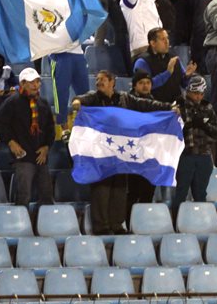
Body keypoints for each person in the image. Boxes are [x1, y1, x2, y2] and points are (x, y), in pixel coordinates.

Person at [71, 71, 177, 233]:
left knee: (119, 189)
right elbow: (80, 99)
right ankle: (101, 226)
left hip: (121, 154)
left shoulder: (125, 98)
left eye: (103, 80)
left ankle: (117, 224)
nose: (99, 83)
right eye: (97, 80)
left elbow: (145, 104)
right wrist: (77, 102)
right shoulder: (94, 98)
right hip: (100, 153)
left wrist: (169, 107)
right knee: (102, 189)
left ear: (112, 82)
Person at [0, 68, 56, 206]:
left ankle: (44, 226)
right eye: (31, 82)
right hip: (23, 157)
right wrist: (10, 142)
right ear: (23, 84)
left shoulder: (43, 104)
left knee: (47, 196)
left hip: (41, 158)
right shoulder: (12, 102)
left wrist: (46, 147)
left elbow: (51, 129)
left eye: (37, 81)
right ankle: (19, 225)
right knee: (23, 196)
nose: (35, 85)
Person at [171, 75, 217, 210]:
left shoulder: (208, 107)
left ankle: (199, 223)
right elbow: (173, 129)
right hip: (185, 156)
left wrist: (203, 125)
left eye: (200, 94)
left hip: (204, 155)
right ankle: (175, 223)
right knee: (181, 193)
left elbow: (216, 131)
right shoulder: (179, 106)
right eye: (195, 93)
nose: (198, 97)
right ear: (188, 91)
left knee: (200, 194)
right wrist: (191, 123)